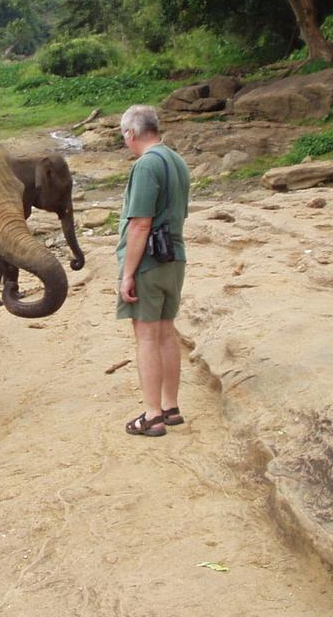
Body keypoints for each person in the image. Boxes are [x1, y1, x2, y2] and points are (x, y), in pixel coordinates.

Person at [116, 104, 190, 437]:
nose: (124, 141)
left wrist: (128, 273)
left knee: (146, 335)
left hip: (149, 261)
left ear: (131, 133)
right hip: (174, 257)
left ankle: (152, 415)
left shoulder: (146, 165)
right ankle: (171, 408)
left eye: (124, 136)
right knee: (166, 332)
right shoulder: (177, 161)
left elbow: (140, 224)